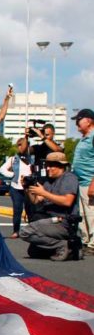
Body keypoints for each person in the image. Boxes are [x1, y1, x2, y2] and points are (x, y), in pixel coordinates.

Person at [20, 152, 79, 261]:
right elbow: (36, 201)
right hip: (49, 219)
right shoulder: (49, 181)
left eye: (51, 165)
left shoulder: (69, 178)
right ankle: (70, 249)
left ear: (61, 166)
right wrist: (27, 189)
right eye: (47, 165)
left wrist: (44, 193)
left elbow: (67, 201)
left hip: (64, 222)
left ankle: (62, 245)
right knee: (33, 251)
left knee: (24, 232)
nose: (48, 168)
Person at [71, 108, 94, 255]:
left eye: (79, 120)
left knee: (91, 214)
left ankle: (92, 243)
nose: (77, 124)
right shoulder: (84, 138)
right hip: (81, 182)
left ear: (88, 120)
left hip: (89, 181)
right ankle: (86, 242)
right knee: (84, 215)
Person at [0, 138, 33, 239]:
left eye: (21, 144)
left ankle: (32, 230)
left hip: (29, 188)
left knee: (30, 210)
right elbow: (2, 169)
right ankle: (16, 231)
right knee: (17, 210)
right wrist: (12, 174)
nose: (20, 147)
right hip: (16, 188)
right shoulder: (13, 159)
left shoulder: (32, 159)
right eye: (18, 145)